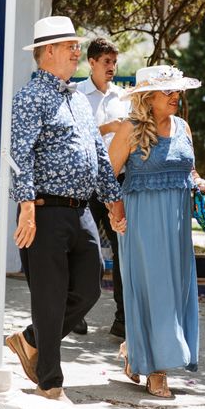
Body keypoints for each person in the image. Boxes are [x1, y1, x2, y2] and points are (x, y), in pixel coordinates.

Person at [5, 16, 125, 402]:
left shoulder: (76, 97)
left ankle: (30, 340)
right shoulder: (29, 97)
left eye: (77, 45)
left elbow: (98, 158)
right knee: (50, 297)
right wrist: (26, 208)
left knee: (90, 287)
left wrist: (113, 203)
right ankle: (50, 383)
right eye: (71, 46)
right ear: (49, 51)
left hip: (82, 211)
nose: (78, 51)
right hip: (44, 210)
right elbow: (18, 157)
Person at [107, 65, 205, 398]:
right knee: (156, 293)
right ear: (147, 97)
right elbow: (107, 175)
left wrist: (197, 182)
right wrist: (115, 211)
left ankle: (135, 349)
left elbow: (187, 166)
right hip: (142, 224)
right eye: (168, 91)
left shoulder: (183, 127)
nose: (176, 96)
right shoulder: (130, 129)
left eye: (177, 90)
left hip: (178, 225)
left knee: (175, 293)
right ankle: (156, 371)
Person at [76, 38, 130, 338]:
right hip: (88, 180)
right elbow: (77, 135)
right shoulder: (77, 95)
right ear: (92, 63)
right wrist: (110, 128)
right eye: (106, 61)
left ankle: (122, 318)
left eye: (114, 61)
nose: (112, 67)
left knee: (122, 249)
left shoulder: (123, 97)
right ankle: (77, 314)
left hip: (117, 181)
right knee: (85, 249)